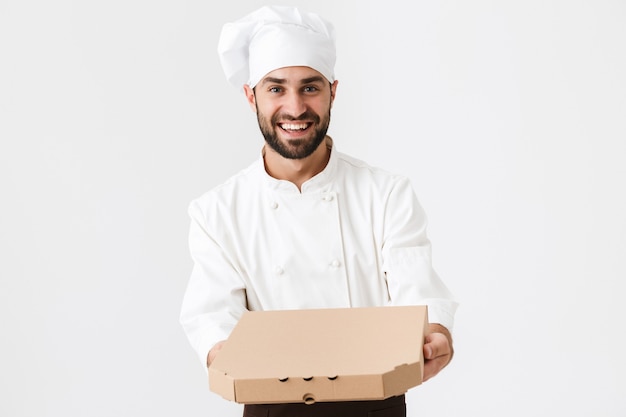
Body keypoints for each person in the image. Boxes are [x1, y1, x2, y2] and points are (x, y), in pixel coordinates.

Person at [180, 5, 458, 417]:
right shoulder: (218, 211)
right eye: (276, 88)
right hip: (271, 404)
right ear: (250, 95)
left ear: (333, 90)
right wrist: (220, 349)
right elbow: (211, 313)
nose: (295, 108)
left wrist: (434, 332)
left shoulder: (385, 193)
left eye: (310, 87)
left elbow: (417, 290)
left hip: (375, 403)